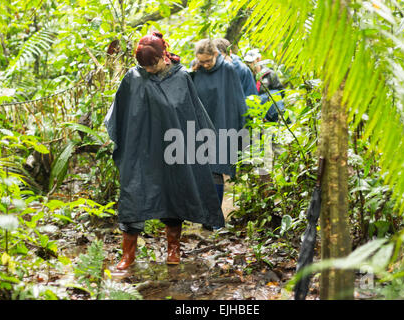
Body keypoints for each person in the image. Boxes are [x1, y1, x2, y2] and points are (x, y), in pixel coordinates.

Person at [105, 32, 224, 269]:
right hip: (140, 151)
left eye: (153, 64)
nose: (149, 70)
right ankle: (127, 255)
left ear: (163, 57)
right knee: (133, 196)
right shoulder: (133, 78)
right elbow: (119, 112)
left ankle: (173, 250)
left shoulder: (180, 77)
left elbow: (193, 113)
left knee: (174, 193)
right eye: (144, 66)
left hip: (173, 148)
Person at [191, 39, 248, 211]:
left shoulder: (228, 69)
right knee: (200, 170)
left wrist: (242, 130)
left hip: (222, 125)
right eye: (202, 61)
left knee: (215, 170)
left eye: (208, 60)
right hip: (199, 127)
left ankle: (214, 215)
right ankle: (204, 215)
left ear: (216, 54)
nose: (206, 64)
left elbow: (238, 101)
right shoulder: (196, 70)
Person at [244, 49, 285, 122]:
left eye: (251, 62)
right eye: (247, 62)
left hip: (270, 108)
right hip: (255, 110)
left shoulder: (269, 74)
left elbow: (280, 91)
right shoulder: (246, 75)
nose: (249, 64)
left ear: (259, 59)